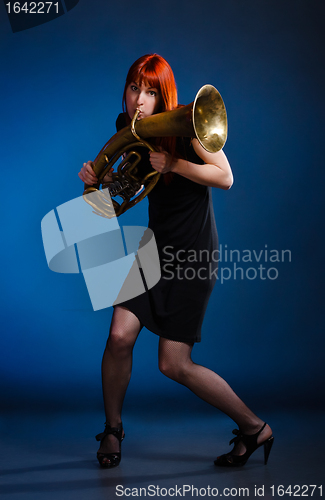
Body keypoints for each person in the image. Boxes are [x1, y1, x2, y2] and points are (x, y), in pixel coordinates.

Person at [78, 54, 273, 468]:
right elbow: (121, 196)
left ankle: (255, 429)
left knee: (174, 364)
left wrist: (177, 164)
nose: (140, 101)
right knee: (118, 337)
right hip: (154, 247)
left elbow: (225, 177)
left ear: (164, 96)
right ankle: (113, 429)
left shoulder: (188, 128)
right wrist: (102, 181)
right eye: (134, 88)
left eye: (150, 91)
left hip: (193, 253)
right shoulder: (124, 128)